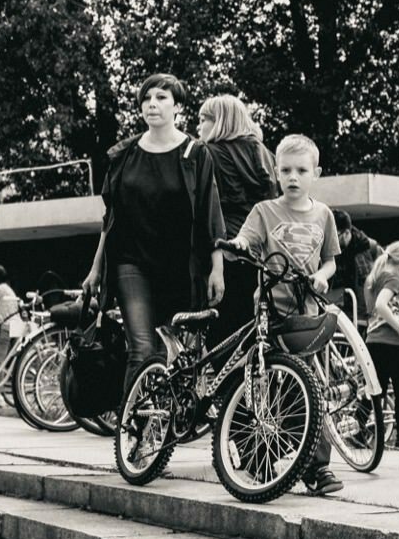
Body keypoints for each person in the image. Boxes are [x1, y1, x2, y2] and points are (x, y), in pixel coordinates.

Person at [83, 74, 225, 395]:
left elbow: (209, 215)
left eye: (161, 97)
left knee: (170, 351)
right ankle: (133, 431)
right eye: (147, 98)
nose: (152, 104)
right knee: (142, 349)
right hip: (130, 263)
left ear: (177, 106)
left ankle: (160, 424)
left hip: (178, 268)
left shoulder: (196, 154)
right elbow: (111, 219)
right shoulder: (123, 155)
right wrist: (96, 268)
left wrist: (217, 268)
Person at [232, 134, 343, 494]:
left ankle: (317, 467)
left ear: (317, 173)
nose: (293, 177)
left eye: (301, 170)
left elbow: (330, 262)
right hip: (269, 309)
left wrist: (323, 278)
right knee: (263, 384)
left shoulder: (324, 214)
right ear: (276, 173)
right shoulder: (264, 211)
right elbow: (246, 241)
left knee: (312, 385)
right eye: (285, 170)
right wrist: (239, 245)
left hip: (306, 311)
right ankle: (255, 455)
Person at [197, 92, 278, 339]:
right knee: (253, 331)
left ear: (220, 121)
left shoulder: (207, 153)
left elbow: (205, 211)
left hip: (225, 251)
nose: (198, 126)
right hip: (261, 251)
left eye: (202, 119)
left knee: (222, 332)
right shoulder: (263, 152)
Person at [363, 242, 399, 449]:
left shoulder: (373, 278)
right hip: (394, 343)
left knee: (376, 390)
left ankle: (359, 429)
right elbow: (381, 306)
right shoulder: (393, 279)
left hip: (374, 342)